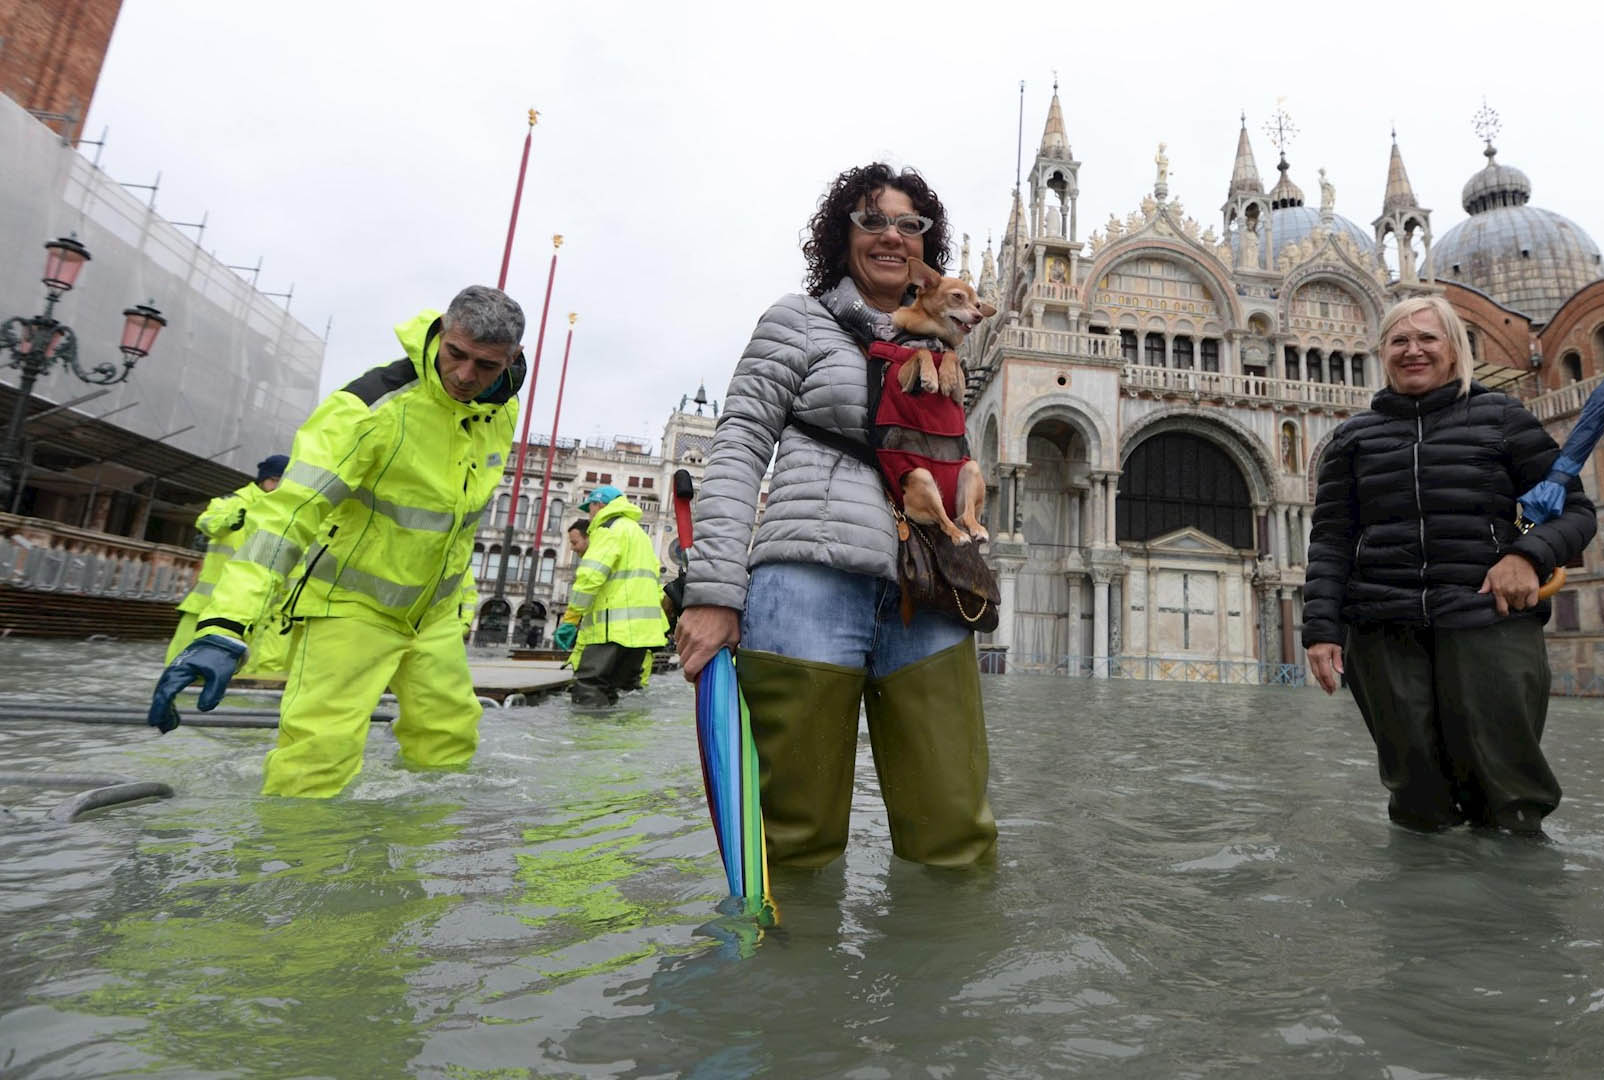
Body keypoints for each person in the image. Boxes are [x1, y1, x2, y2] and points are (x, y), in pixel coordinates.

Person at [674, 162, 997, 869]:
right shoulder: (798, 322)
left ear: (927, 248)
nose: (891, 235)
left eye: (909, 224)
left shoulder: (945, 344)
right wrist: (715, 590)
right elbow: (738, 448)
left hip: (930, 590)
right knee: (794, 836)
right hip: (809, 586)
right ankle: (785, 978)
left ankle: (942, 973)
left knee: (956, 834)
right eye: (872, 220)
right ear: (840, 235)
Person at [147, 286, 526, 798]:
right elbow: (287, 516)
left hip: (430, 617)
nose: (464, 376)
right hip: (347, 608)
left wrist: (458, 609)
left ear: (511, 361)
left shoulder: (498, 411)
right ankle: (294, 869)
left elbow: (454, 525)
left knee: (449, 740)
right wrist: (224, 625)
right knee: (317, 757)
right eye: (455, 354)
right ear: (440, 331)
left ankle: (420, 859)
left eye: (485, 365)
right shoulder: (367, 409)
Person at [1303, 296, 1594, 836]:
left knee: (1509, 789)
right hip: (1384, 627)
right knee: (1415, 796)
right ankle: (1427, 913)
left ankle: (1519, 908)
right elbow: (1331, 539)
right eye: (1399, 341)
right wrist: (1321, 630)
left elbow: (1574, 512)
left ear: (1454, 349)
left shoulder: (1503, 418)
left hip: (1486, 617)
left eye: (1428, 339)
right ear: (1382, 354)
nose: (1413, 351)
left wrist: (1526, 555)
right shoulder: (1354, 437)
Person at [167, 454, 292, 675]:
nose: (277, 487)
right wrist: (230, 520)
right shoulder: (233, 502)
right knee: (182, 664)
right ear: (262, 479)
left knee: (241, 672)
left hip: (255, 608)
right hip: (208, 602)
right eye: (274, 480)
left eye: (283, 481)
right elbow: (206, 522)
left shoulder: (289, 512)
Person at [554, 485, 668, 705]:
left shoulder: (608, 529)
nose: (590, 514)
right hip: (640, 634)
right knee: (625, 691)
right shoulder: (638, 534)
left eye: (590, 508)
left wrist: (570, 618)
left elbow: (590, 577)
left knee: (590, 688)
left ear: (600, 505)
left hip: (612, 629)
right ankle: (620, 738)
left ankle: (591, 739)